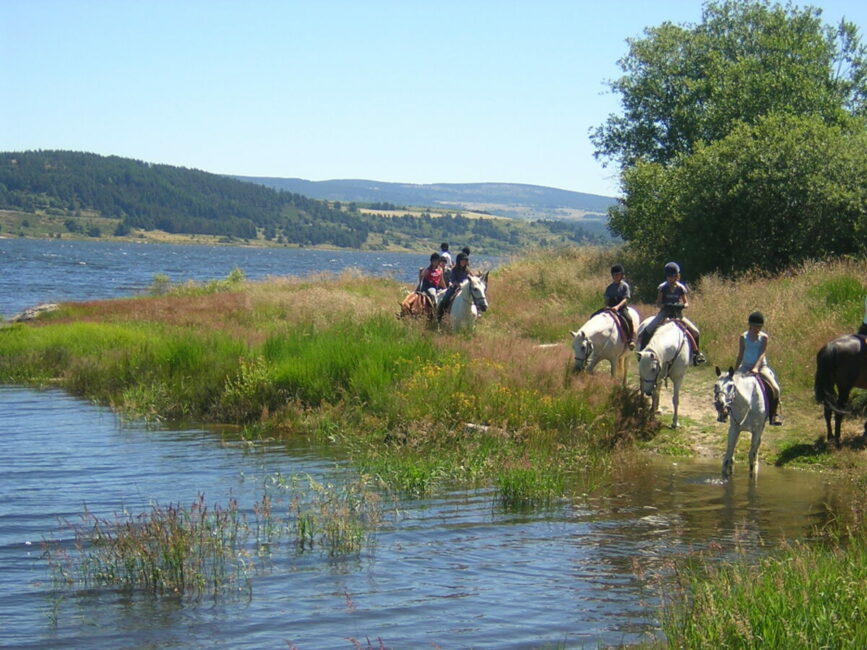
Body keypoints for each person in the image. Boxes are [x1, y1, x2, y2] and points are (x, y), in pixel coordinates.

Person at [639, 262, 706, 364]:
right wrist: (666, 305)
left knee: (696, 331)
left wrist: (682, 306)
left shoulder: (681, 288)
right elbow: (658, 303)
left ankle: (696, 355)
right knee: (648, 329)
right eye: (669, 276)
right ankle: (643, 352)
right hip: (665, 313)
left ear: (677, 276)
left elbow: (686, 303)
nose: (671, 278)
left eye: (673, 276)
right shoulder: (662, 287)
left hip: (677, 314)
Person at [735, 311, 782, 425]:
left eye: (759, 326)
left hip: (761, 367)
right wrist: (736, 369)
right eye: (755, 326)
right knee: (731, 385)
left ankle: (773, 414)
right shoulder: (743, 337)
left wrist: (756, 368)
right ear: (750, 325)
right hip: (745, 366)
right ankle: (727, 411)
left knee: (776, 389)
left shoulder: (764, 337)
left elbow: (762, 354)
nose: (757, 328)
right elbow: (740, 354)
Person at [601, 263, 634, 348]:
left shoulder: (624, 286)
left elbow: (625, 299)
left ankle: (630, 339)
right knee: (594, 315)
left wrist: (617, 307)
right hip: (611, 307)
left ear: (621, 275)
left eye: (618, 274)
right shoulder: (609, 287)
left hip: (621, 307)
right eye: (614, 274)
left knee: (629, 319)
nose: (616, 276)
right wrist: (606, 306)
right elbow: (607, 299)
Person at [437, 251, 471, 322]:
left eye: (465, 260)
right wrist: (459, 284)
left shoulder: (467, 270)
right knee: (445, 299)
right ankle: (440, 315)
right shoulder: (454, 269)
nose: (464, 262)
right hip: (455, 287)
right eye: (463, 260)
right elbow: (453, 280)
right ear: (459, 261)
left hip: (465, 289)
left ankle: (478, 311)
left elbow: (471, 278)